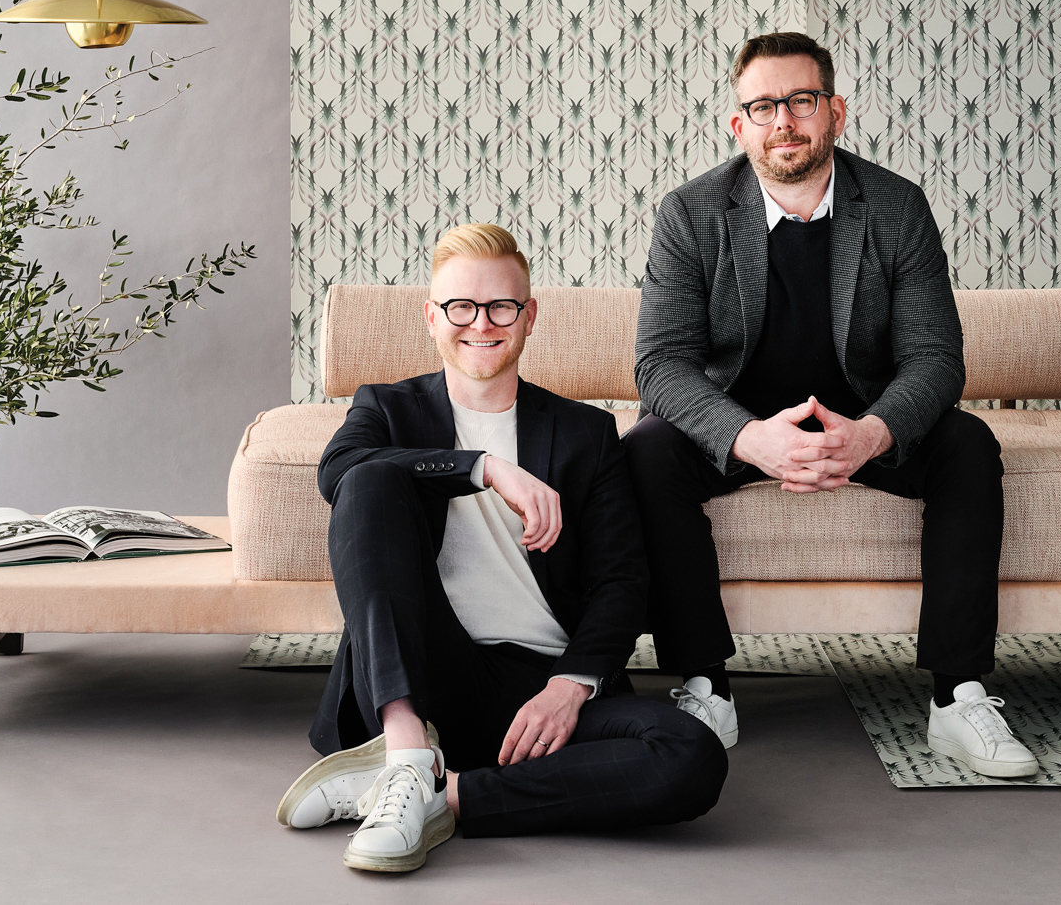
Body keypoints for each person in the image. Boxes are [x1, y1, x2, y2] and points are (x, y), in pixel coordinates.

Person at [626, 31, 1038, 779]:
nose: (783, 120)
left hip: (865, 417)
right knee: (648, 448)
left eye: (800, 100)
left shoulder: (894, 206)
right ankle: (703, 685)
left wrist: (874, 433)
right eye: (762, 105)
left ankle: (959, 694)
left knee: (969, 445)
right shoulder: (689, 214)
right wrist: (751, 438)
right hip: (743, 420)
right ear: (738, 124)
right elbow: (660, 364)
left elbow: (937, 358)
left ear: (835, 112)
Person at [278, 224, 728, 873]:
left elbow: (621, 583)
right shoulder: (387, 408)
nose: (480, 323)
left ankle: (444, 793)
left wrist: (571, 685)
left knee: (694, 754)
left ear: (529, 314)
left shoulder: (586, 432)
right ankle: (405, 749)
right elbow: (338, 471)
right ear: (432, 316)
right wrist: (482, 466)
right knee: (370, 477)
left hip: (540, 689)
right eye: (461, 306)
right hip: (425, 678)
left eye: (501, 306)